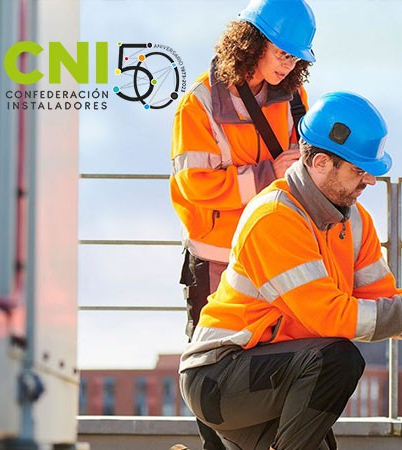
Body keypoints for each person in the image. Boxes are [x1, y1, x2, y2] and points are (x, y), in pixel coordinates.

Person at [178, 91, 402, 450]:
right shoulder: (274, 218)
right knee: (339, 360)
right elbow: (331, 318)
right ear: (321, 163)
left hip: (277, 373)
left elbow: (383, 305)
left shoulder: (355, 222)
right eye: (359, 170)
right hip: (220, 377)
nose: (370, 181)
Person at [169, 1, 316, 448]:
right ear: (251, 43)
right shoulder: (197, 104)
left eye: (295, 58)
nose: (287, 66)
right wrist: (272, 172)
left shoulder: (295, 99)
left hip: (273, 256)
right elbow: (197, 186)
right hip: (215, 262)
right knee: (211, 371)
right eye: (281, 54)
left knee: (270, 364)